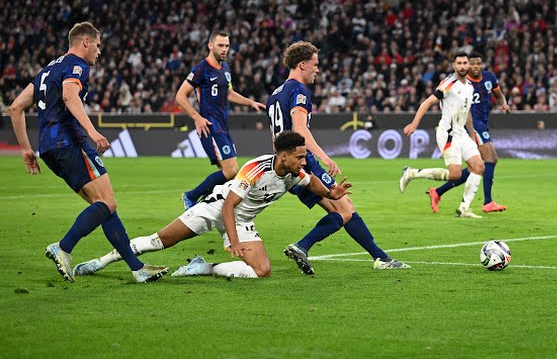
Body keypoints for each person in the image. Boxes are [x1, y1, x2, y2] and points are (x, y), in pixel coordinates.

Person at [6, 22, 168, 283]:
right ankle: (63, 247)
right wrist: (92, 132)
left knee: (103, 206)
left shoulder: (48, 70)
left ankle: (137, 268)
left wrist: (26, 148)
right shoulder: (77, 65)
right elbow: (70, 96)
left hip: (48, 147)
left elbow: (15, 108)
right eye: (98, 45)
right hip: (70, 141)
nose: (99, 51)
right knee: (107, 203)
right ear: (85, 42)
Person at [73, 131, 351, 279]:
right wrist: (233, 241)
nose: (304, 161)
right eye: (300, 157)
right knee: (159, 241)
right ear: (283, 156)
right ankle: (101, 262)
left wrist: (331, 192)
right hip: (216, 208)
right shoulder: (256, 169)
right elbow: (229, 205)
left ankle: (203, 267)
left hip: (243, 221)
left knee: (262, 272)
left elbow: (312, 182)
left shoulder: (294, 173)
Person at [266, 40, 409, 274]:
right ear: (302, 65)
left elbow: (275, 137)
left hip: (285, 164)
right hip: (303, 162)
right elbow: (300, 131)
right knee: (345, 209)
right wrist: (324, 158)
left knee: (341, 210)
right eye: (315, 65)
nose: (318, 70)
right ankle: (304, 246)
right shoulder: (299, 91)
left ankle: (379, 256)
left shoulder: (275, 94)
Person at [176, 30, 265, 209]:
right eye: (220, 45)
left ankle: (202, 205)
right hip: (210, 126)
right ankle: (190, 196)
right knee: (231, 171)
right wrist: (197, 117)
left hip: (223, 126)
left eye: (227, 46)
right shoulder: (201, 69)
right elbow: (180, 96)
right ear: (210, 45)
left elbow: (229, 94)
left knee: (228, 172)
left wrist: (250, 102)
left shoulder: (225, 68)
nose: (224, 49)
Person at [400, 52, 486, 218]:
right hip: (448, 133)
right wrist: (414, 124)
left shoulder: (469, 86)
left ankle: (464, 208)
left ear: (468, 65)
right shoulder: (448, 83)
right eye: (459, 63)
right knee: (455, 175)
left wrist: (472, 134)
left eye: (465, 63)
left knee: (478, 166)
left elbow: (467, 113)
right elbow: (427, 102)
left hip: (462, 133)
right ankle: (411, 173)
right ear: (454, 65)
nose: (462, 66)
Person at [427, 51, 510, 214]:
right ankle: (488, 202)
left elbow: (498, 94)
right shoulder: (463, 83)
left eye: (478, 63)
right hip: (471, 124)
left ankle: (437, 192)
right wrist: (470, 131)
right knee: (491, 158)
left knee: (475, 167)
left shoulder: (489, 78)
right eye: (472, 64)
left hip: (483, 123)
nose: (475, 66)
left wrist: (504, 104)